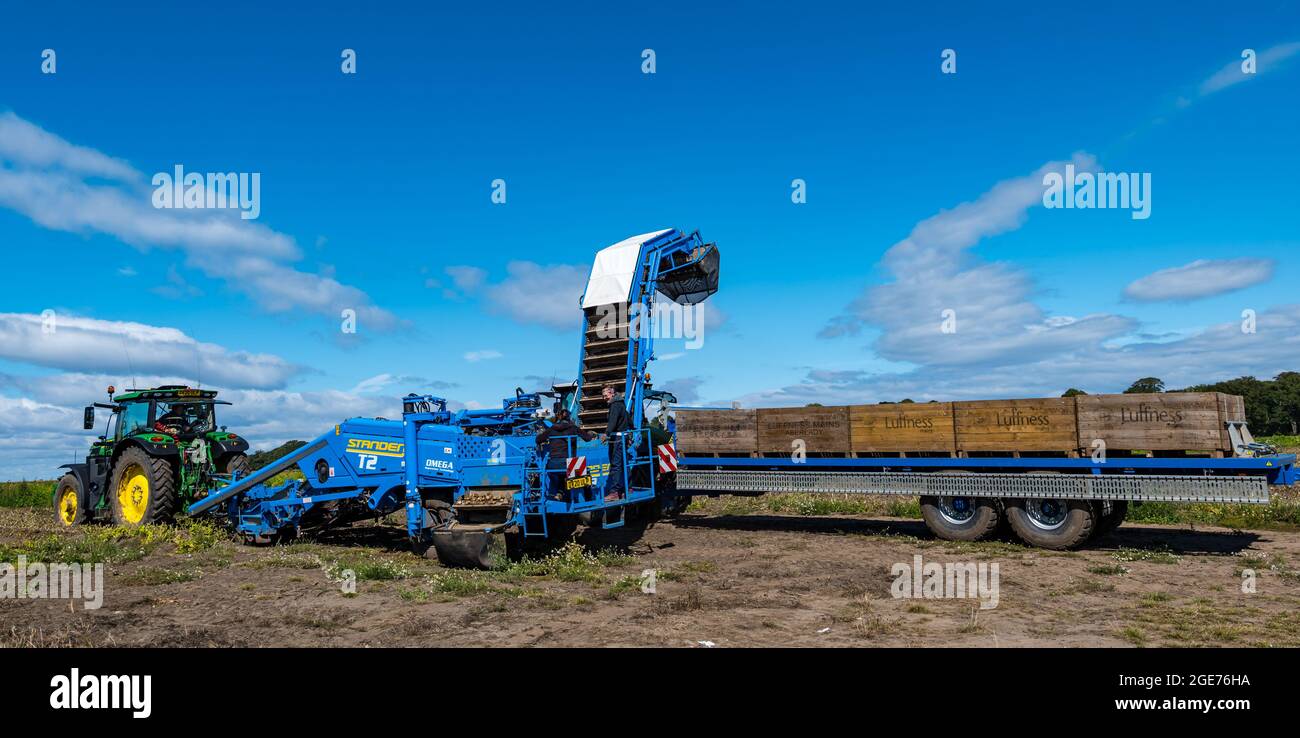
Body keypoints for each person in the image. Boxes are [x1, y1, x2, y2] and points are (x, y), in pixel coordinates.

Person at [535, 409, 594, 501]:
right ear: (569, 418)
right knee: (586, 472)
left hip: (552, 464)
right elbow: (587, 438)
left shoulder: (552, 429)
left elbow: (538, 439)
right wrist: (591, 434)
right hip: (568, 464)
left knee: (562, 473)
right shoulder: (573, 428)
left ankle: (560, 493)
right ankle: (589, 499)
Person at [601, 385, 632, 501]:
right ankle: (628, 488)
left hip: (617, 439)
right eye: (603, 396)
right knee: (624, 463)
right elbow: (628, 418)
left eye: (606, 395)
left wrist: (606, 433)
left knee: (615, 465)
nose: (604, 398)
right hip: (623, 437)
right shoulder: (621, 403)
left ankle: (614, 492)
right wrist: (632, 428)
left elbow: (613, 421)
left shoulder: (614, 405)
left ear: (612, 393)